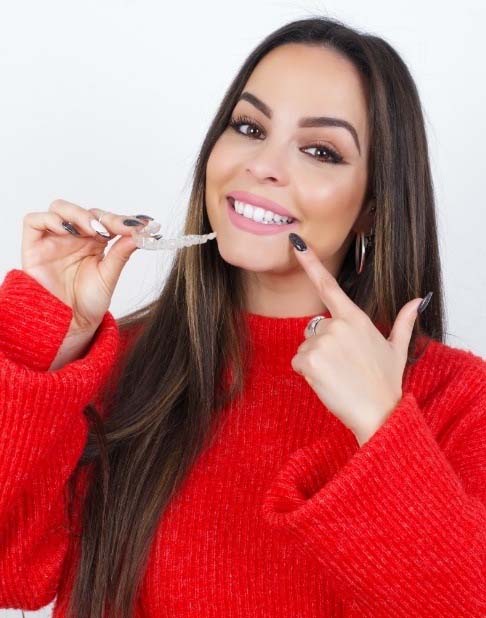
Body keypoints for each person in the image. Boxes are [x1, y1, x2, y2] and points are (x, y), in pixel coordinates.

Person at [0, 15, 485, 618]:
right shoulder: (119, 363)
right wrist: (43, 340)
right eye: (249, 126)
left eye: (319, 150)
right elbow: (12, 576)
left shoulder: (456, 400)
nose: (263, 164)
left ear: (372, 209)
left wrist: (383, 429)